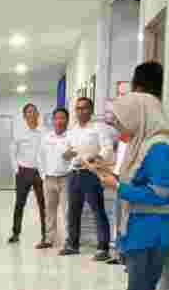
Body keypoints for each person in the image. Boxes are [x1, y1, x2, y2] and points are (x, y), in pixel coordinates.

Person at [84, 91, 169, 290]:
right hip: (140, 227)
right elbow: (138, 182)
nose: (120, 129)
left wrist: (117, 187)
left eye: (122, 122)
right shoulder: (144, 144)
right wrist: (108, 174)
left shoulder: (160, 148)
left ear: (139, 116)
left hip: (151, 231)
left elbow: (160, 194)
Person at [59, 95, 115, 260]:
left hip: (91, 173)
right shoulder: (72, 131)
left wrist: (94, 158)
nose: (80, 111)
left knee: (97, 210)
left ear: (90, 110)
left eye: (84, 108)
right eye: (78, 108)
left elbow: (107, 148)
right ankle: (72, 244)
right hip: (74, 173)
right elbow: (67, 152)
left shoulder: (99, 128)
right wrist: (67, 154)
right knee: (73, 211)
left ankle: (103, 248)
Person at [8, 101, 47, 246]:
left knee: (43, 204)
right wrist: (16, 170)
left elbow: (47, 152)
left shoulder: (44, 132)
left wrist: (45, 171)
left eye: (34, 111)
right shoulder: (19, 132)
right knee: (19, 203)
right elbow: (12, 152)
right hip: (23, 171)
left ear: (38, 114)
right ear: (24, 116)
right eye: (29, 112)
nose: (32, 114)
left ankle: (45, 235)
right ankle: (15, 233)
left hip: (40, 172)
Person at [38, 105, 71, 248]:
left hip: (66, 179)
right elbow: (40, 157)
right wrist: (43, 175)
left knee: (67, 211)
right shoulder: (46, 138)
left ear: (67, 120)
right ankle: (49, 239)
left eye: (62, 118)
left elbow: (76, 156)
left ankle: (69, 240)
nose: (59, 121)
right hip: (49, 179)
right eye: (56, 118)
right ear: (53, 120)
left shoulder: (71, 137)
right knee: (49, 211)